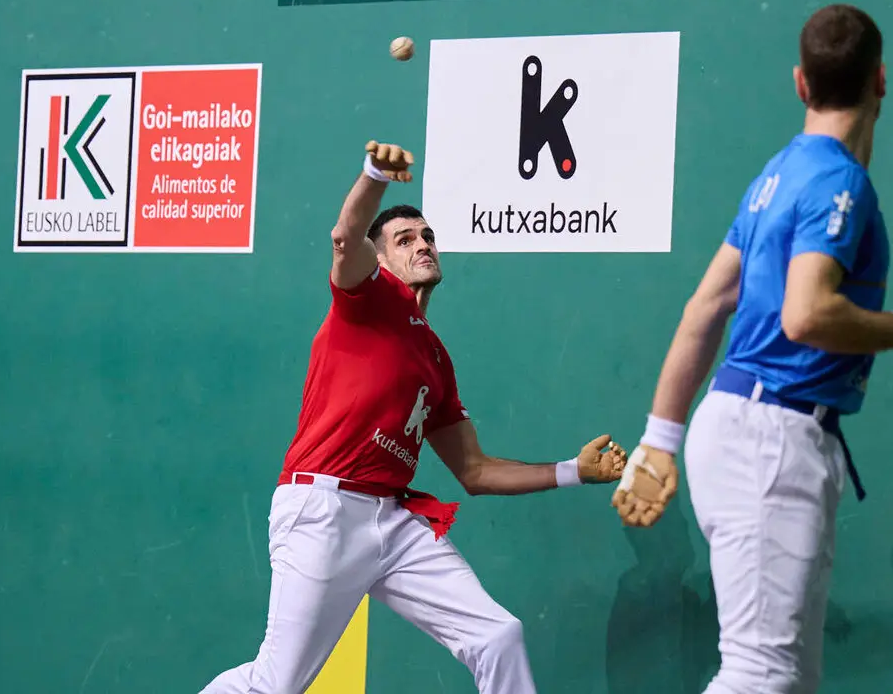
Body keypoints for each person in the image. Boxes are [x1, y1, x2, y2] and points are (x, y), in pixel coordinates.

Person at [201, 140, 627, 694]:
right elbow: (344, 237)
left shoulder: (436, 358)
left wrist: (573, 469)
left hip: (393, 522)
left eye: (427, 235)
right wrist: (375, 174)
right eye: (405, 239)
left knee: (498, 635)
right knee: (275, 684)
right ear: (380, 260)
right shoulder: (367, 297)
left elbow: (474, 471)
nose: (423, 244)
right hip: (323, 510)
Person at [609, 4, 893, 693]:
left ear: (800, 83)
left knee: (788, 680)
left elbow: (705, 305)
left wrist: (659, 439)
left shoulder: (776, 176)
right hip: (769, 440)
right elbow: (807, 313)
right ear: (882, 80)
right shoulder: (836, 181)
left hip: (749, 430)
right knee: (761, 676)